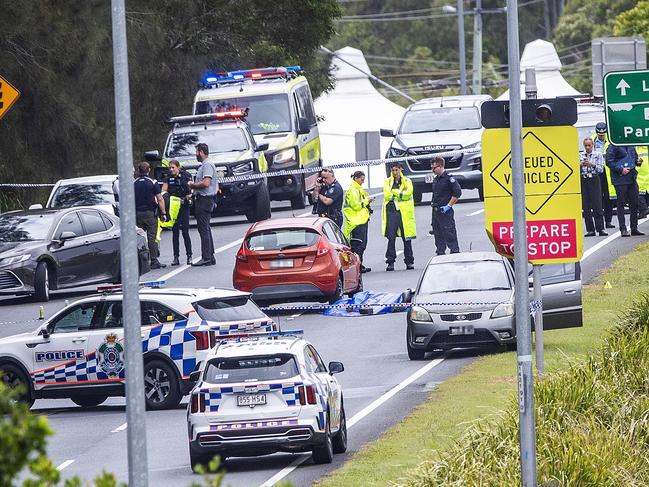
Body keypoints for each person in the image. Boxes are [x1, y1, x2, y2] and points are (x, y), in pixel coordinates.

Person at [605, 143, 645, 237]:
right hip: (620, 179)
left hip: (631, 177)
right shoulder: (614, 145)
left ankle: (634, 228)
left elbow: (634, 158)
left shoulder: (630, 145)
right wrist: (620, 169)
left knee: (634, 202)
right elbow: (608, 161)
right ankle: (623, 229)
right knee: (621, 204)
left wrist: (637, 162)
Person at [382, 162, 416, 271]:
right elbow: (387, 194)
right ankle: (390, 262)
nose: (395, 172)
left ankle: (409, 261)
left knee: (407, 238)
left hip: (404, 213)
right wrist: (401, 194)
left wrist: (396, 192)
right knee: (391, 238)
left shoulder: (407, 181)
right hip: (392, 212)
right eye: (393, 170)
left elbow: (408, 193)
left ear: (401, 170)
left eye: (396, 170)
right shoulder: (387, 181)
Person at [188, 143, 218, 266]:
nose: (195, 155)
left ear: (201, 152)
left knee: (203, 229)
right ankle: (210, 256)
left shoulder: (207, 165)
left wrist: (192, 185)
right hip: (204, 199)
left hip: (204, 200)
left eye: (196, 152)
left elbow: (206, 183)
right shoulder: (205, 165)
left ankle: (206, 257)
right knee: (206, 228)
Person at [134, 161, 167, 269]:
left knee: (139, 238)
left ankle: (141, 262)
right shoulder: (152, 182)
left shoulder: (134, 183)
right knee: (151, 237)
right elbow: (160, 198)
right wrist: (163, 213)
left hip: (137, 213)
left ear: (139, 171)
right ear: (149, 170)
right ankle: (153, 260)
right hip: (150, 213)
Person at [162, 160, 193, 266]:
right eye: (170, 168)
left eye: (173, 167)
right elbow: (164, 191)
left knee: (185, 231)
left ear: (178, 167)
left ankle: (189, 255)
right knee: (175, 232)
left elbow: (191, 190)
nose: (171, 169)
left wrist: (187, 197)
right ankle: (176, 257)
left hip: (184, 206)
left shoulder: (186, 175)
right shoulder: (168, 178)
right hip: (173, 207)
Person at [343, 171, 375, 273]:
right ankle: (358, 266)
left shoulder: (357, 189)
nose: (363, 182)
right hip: (356, 222)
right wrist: (367, 201)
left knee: (362, 245)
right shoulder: (353, 190)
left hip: (360, 220)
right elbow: (356, 206)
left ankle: (360, 265)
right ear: (356, 178)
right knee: (358, 246)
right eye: (361, 179)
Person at [430, 156, 461, 255]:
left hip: (445, 211)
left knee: (449, 231)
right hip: (436, 211)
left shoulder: (449, 178)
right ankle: (440, 252)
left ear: (441, 166)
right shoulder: (436, 179)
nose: (433, 170)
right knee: (437, 233)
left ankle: (454, 251)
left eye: (434, 168)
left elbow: (457, 193)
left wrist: (449, 205)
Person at [580, 138, 607, 237]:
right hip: (584, 179)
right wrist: (580, 164)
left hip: (594, 179)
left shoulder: (598, 155)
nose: (587, 147)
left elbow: (601, 170)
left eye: (589, 145)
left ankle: (600, 228)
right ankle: (590, 230)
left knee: (597, 205)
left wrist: (593, 165)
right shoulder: (580, 155)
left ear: (593, 145)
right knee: (586, 206)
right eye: (586, 145)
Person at [592, 122, 615, 229]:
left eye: (603, 133)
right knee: (597, 198)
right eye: (599, 134)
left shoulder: (611, 140)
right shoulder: (591, 141)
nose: (601, 135)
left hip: (608, 171)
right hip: (596, 171)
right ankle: (599, 222)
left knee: (608, 197)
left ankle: (608, 221)